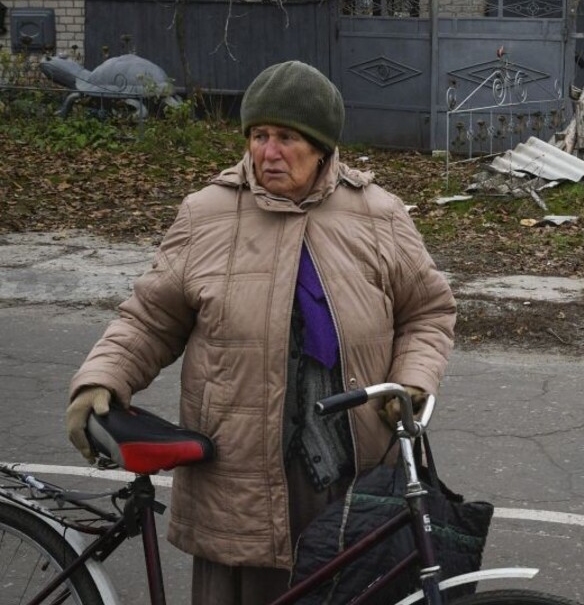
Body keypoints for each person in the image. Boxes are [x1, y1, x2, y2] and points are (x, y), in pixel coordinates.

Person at [64, 60, 457, 604]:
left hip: (351, 470)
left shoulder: (378, 215)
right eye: (259, 135)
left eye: (286, 138)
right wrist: (103, 377)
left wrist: (412, 379)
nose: (268, 152)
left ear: (321, 147)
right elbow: (150, 317)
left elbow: (427, 311)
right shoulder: (207, 214)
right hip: (238, 472)